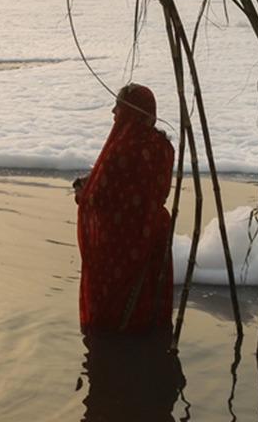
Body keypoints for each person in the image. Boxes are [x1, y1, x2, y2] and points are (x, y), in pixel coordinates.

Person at [74, 83, 175, 335]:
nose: (113, 112)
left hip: (121, 243)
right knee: (150, 303)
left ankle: (112, 356)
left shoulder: (121, 150)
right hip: (154, 233)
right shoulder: (163, 147)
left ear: (130, 111)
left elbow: (99, 198)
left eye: (118, 106)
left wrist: (81, 192)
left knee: (114, 313)